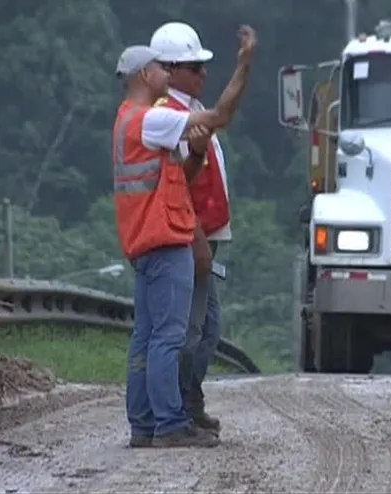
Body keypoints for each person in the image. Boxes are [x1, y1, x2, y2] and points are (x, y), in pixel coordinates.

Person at [113, 26, 255, 449]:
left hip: (147, 236)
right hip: (166, 236)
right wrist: (245, 62)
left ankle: (143, 424)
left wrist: (193, 153)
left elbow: (175, 177)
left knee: (148, 335)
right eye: (159, 67)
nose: (164, 72)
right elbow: (220, 117)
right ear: (145, 75)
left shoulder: (128, 120)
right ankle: (171, 424)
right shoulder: (153, 118)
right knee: (170, 336)